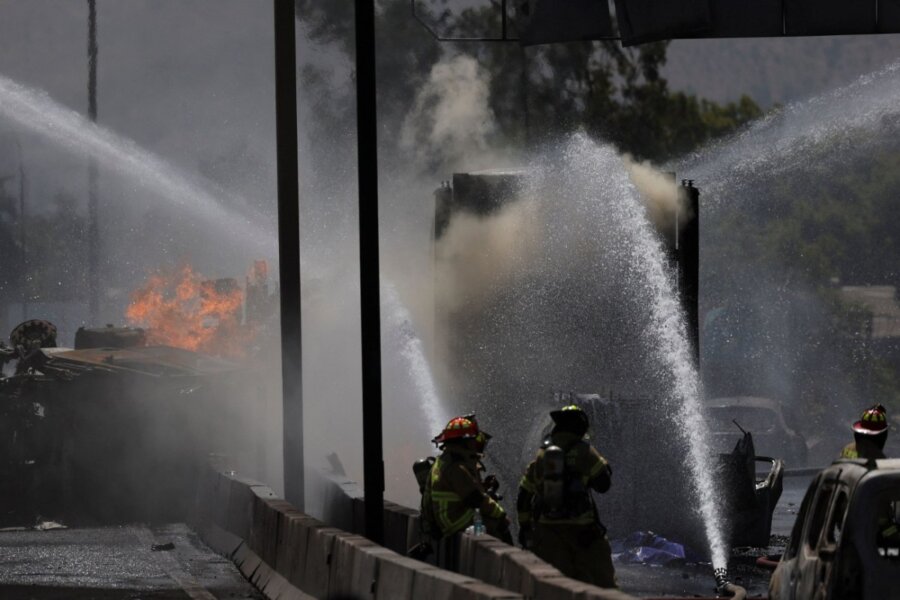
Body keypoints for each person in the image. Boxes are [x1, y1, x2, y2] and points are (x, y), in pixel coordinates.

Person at [517, 404, 616, 588]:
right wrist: (603, 466)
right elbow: (603, 485)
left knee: (554, 586)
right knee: (599, 581)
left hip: (547, 532)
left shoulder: (542, 455)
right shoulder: (585, 452)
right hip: (583, 531)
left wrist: (524, 528)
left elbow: (524, 495)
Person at [422, 416, 511, 542]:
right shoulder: (456, 466)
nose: (475, 443)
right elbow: (476, 498)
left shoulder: (442, 462)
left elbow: (454, 490)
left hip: (446, 522)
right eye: (472, 439)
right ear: (464, 441)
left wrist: (483, 486)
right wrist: (501, 515)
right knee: (497, 524)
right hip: (456, 521)